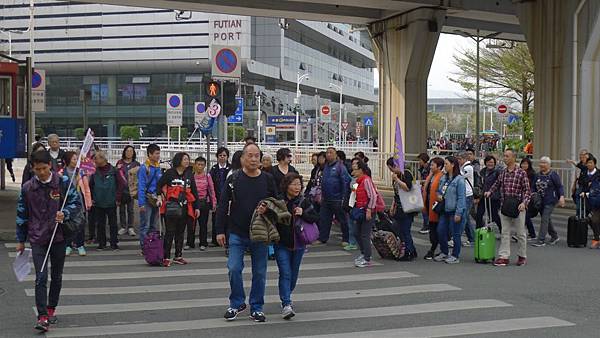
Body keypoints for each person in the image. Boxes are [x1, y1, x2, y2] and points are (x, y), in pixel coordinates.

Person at [16, 150, 81, 332]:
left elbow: (75, 204)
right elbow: (22, 214)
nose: (41, 172)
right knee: (40, 277)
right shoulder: (28, 188)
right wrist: (21, 240)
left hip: (59, 236)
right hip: (37, 237)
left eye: (44, 168)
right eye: (37, 169)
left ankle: (51, 309)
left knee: (57, 276)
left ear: (50, 166)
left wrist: (64, 213)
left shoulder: (63, 183)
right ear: (32, 168)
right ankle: (42, 316)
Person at [216, 143, 277, 322]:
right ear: (242, 158)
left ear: (260, 158)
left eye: (256, 156)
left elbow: (278, 202)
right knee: (233, 268)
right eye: (249, 155)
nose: (253, 159)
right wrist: (220, 231)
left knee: (259, 272)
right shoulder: (233, 179)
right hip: (236, 232)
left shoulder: (267, 179)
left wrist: (269, 208)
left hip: (260, 233)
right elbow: (222, 206)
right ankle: (237, 303)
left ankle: (257, 307)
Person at [274, 172, 319, 319]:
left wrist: (303, 213)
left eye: (299, 184)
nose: (297, 187)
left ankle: (286, 293)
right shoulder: (279, 201)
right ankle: (286, 303)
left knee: (293, 275)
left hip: (299, 244)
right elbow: (271, 220)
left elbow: (314, 218)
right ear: (286, 185)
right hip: (281, 243)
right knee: (285, 273)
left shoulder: (304, 201)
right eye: (293, 184)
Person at [486, 149, 531, 267]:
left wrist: (524, 203)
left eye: (507, 156)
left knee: (520, 233)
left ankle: (522, 256)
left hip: (518, 206)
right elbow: (497, 184)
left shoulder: (521, 173)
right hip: (505, 205)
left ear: (513, 158)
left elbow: (527, 190)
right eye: (504, 156)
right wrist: (490, 192)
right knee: (505, 232)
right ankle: (503, 256)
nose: (504, 158)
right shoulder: (503, 172)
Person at [158, 152, 200, 266]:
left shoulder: (189, 174)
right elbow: (159, 185)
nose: (187, 161)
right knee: (170, 232)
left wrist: (197, 207)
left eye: (188, 159)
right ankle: (165, 257)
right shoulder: (170, 173)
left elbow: (194, 191)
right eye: (185, 159)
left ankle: (178, 255)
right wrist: (160, 196)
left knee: (180, 232)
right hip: (172, 207)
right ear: (178, 160)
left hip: (185, 207)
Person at [434, 156, 467, 264]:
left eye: (447, 164)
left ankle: (455, 255)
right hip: (444, 209)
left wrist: (459, 212)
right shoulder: (444, 178)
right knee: (440, 231)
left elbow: (461, 197)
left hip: (454, 210)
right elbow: (438, 190)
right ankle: (444, 252)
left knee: (455, 233)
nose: (445, 166)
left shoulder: (459, 180)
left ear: (453, 165)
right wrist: (438, 195)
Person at [316, 147, 351, 246]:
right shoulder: (325, 166)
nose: (328, 154)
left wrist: (344, 198)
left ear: (335, 155)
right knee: (324, 219)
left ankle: (345, 239)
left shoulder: (340, 167)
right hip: (326, 199)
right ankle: (323, 238)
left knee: (342, 220)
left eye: (331, 153)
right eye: (327, 153)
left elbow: (345, 182)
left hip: (337, 198)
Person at [387, 157, 419, 261]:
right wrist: (392, 206)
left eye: (391, 168)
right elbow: (396, 194)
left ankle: (409, 252)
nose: (391, 171)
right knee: (399, 229)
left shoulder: (406, 173)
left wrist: (397, 180)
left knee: (405, 230)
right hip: (399, 206)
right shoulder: (398, 175)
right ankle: (411, 249)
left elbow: (407, 188)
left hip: (407, 207)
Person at [90, 151, 121, 251]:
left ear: (103, 159)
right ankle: (101, 243)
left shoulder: (114, 170)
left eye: (96, 158)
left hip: (111, 201)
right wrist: (91, 198)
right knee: (100, 224)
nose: (95, 160)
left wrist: (118, 198)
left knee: (113, 224)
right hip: (98, 201)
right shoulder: (94, 171)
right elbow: (90, 186)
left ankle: (114, 243)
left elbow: (121, 185)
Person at [61, 151, 90, 257]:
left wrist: (88, 202)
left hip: (79, 201)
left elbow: (86, 188)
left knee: (80, 224)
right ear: (68, 160)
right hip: (66, 202)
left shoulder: (81, 172)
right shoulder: (61, 173)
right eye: (74, 159)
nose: (76, 161)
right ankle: (68, 245)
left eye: (77, 159)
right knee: (68, 225)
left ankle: (80, 245)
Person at [531, 156, 565, 247]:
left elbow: (559, 186)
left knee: (544, 219)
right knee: (547, 219)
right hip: (540, 201)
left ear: (549, 165)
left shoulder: (553, 175)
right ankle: (554, 236)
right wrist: (532, 194)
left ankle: (541, 240)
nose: (542, 164)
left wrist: (561, 197)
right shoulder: (537, 175)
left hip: (550, 200)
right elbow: (533, 187)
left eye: (544, 163)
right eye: (541, 162)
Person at [351, 160, 377, 267]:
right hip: (360, 210)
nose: (353, 172)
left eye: (355, 169)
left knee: (365, 235)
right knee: (357, 232)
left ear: (361, 170)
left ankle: (367, 258)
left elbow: (373, 195)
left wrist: (369, 209)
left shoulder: (366, 180)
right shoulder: (359, 181)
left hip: (367, 211)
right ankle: (363, 253)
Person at [188, 156, 216, 251]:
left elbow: (211, 190)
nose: (200, 166)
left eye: (202, 165)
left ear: (204, 166)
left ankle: (203, 243)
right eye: (198, 164)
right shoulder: (191, 176)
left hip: (204, 202)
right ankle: (190, 243)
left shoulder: (207, 176)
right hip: (192, 203)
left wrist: (214, 202)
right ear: (195, 165)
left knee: (203, 224)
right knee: (191, 223)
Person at [138, 144, 163, 251]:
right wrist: (141, 203)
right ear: (150, 154)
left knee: (153, 225)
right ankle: (144, 247)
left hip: (156, 199)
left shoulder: (158, 167)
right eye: (156, 153)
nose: (158, 156)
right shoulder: (144, 168)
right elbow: (141, 186)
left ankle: (151, 245)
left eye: (159, 153)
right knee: (146, 225)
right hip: (147, 199)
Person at [422, 157, 444, 260]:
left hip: (436, 206)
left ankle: (433, 249)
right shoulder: (432, 176)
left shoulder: (441, 177)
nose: (431, 167)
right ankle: (434, 248)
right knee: (433, 229)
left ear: (439, 167)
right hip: (429, 204)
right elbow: (426, 187)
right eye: (430, 165)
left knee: (435, 230)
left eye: (433, 165)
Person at [209, 147, 231, 246]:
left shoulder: (230, 168)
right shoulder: (213, 169)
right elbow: (210, 184)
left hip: (227, 197)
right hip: (216, 197)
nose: (222, 157)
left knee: (227, 219)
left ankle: (226, 239)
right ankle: (215, 240)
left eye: (224, 155)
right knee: (215, 218)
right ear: (217, 157)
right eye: (220, 155)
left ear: (227, 157)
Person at [116, 145, 140, 237]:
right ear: (124, 152)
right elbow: (116, 175)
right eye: (127, 151)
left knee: (131, 209)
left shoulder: (136, 164)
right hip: (121, 190)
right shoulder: (120, 163)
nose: (129, 153)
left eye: (131, 151)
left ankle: (130, 227)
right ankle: (123, 226)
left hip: (132, 190)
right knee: (121, 209)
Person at [476, 155, 502, 233]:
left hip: (494, 197)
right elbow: (480, 183)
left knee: (494, 216)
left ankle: (502, 229)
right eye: (488, 162)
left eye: (492, 162)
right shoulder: (483, 171)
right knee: (479, 214)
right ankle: (478, 231)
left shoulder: (497, 172)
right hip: (483, 196)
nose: (490, 164)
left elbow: (499, 184)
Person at [580, 156, 600, 248]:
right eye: (588, 163)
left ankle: (596, 239)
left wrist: (588, 193)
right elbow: (582, 183)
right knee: (589, 219)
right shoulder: (585, 173)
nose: (589, 164)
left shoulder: (598, 174)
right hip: (592, 202)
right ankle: (597, 236)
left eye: (591, 163)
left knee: (594, 219)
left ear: (595, 164)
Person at [458, 151, 476, 246]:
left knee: (463, 217)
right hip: (465, 195)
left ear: (464, 159)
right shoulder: (464, 167)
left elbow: (459, 177)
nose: (458, 161)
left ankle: (457, 237)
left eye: (459, 159)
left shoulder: (468, 168)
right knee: (466, 218)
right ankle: (472, 238)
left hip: (467, 195)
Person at [568, 149, 590, 217]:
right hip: (580, 185)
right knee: (577, 199)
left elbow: (581, 167)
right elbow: (578, 175)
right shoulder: (581, 163)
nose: (581, 156)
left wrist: (572, 161)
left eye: (583, 155)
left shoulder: (589, 163)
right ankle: (579, 215)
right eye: (580, 155)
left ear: (587, 155)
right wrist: (574, 185)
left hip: (586, 187)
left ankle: (582, 216)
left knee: (583, 202)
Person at [520, 157, 537, 240]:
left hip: (528, 197)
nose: (524, 165)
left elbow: (533, 186)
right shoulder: (519, 172)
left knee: (525, 216)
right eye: (523, 163)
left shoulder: (532, 174)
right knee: (522, 216)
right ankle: (525, 233)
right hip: (520, 196)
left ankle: (532, 233)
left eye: (526, 164)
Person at [417, 152, 431, 234]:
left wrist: (422, 181)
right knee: (424, 208)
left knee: (426, 208)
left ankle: (427, 225)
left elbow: (429, 179)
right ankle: (426, 224)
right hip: (423, 189)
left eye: (420, 160)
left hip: (428, 190)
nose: (419, 162)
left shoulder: (429, 168)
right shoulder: (421, 168)